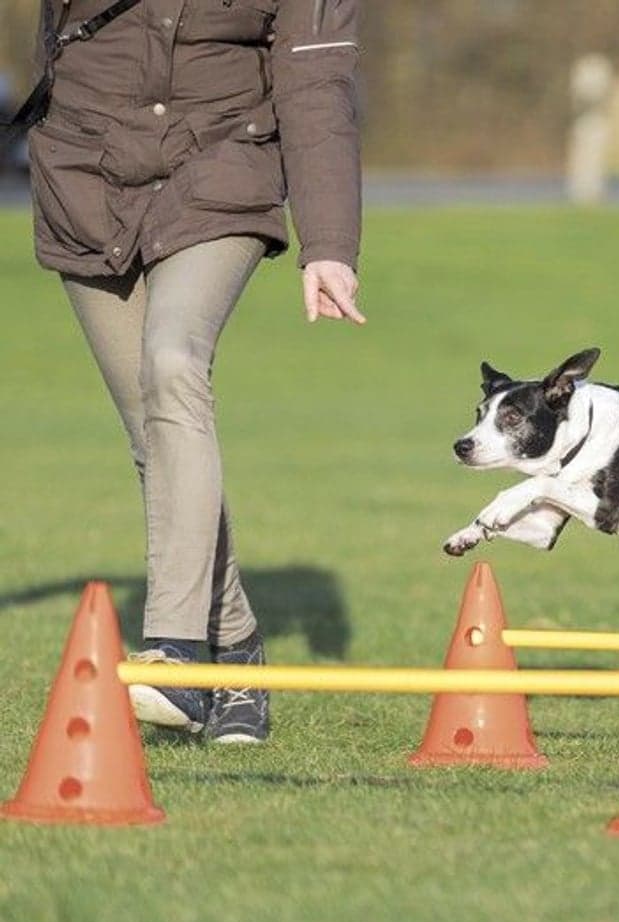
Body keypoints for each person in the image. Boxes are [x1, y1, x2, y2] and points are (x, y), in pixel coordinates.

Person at [25, 0, 365, 743]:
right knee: (157, 436)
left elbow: (316, 84)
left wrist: (329, 243)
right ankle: (237, 649)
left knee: (174, 361)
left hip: (220, 174)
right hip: (86, 180)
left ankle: (175, 655)